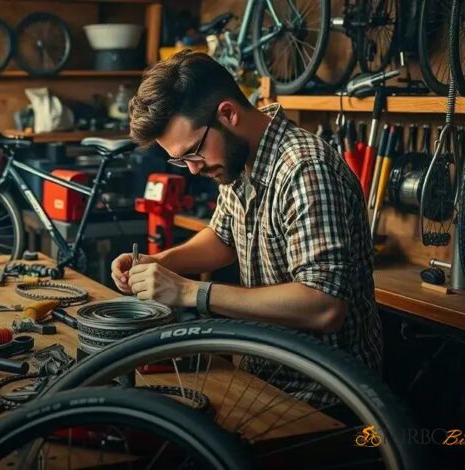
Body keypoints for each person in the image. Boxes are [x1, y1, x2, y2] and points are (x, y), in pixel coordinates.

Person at [111, 50, 382, 405]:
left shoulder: (304, 169)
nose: (193, 169)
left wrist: (190, 292)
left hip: (326, 393)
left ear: (228, 114)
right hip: (265, 373)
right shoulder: (239, 160)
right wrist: (161, 262)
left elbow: (324, 306)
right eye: (182, 160)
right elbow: (223, 237)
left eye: (193, 152)